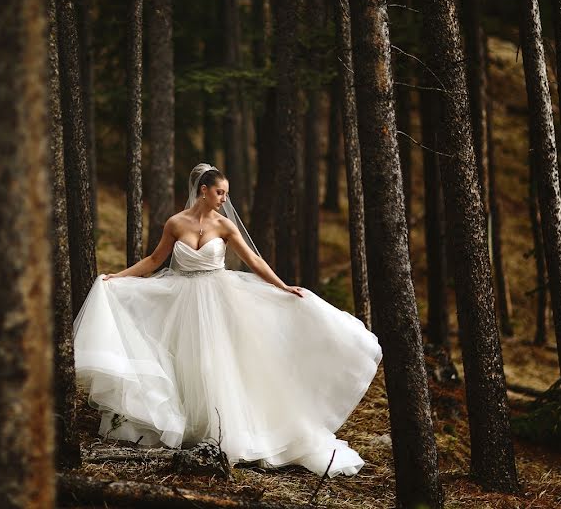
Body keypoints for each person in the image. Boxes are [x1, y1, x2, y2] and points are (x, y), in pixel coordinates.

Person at [72, 163, 383, 477]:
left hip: (218, 298)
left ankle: (224, 431)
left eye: (226, 194)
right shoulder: (175, 224)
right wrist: (117, 277)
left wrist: (282, 286)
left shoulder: (224, 226)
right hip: (182, 300)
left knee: (216, 364)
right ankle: (190, 427)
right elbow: (154, 260)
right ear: (204, 191)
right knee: (188, 363)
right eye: (220, 192)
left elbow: (253, 259)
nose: (224, 199)